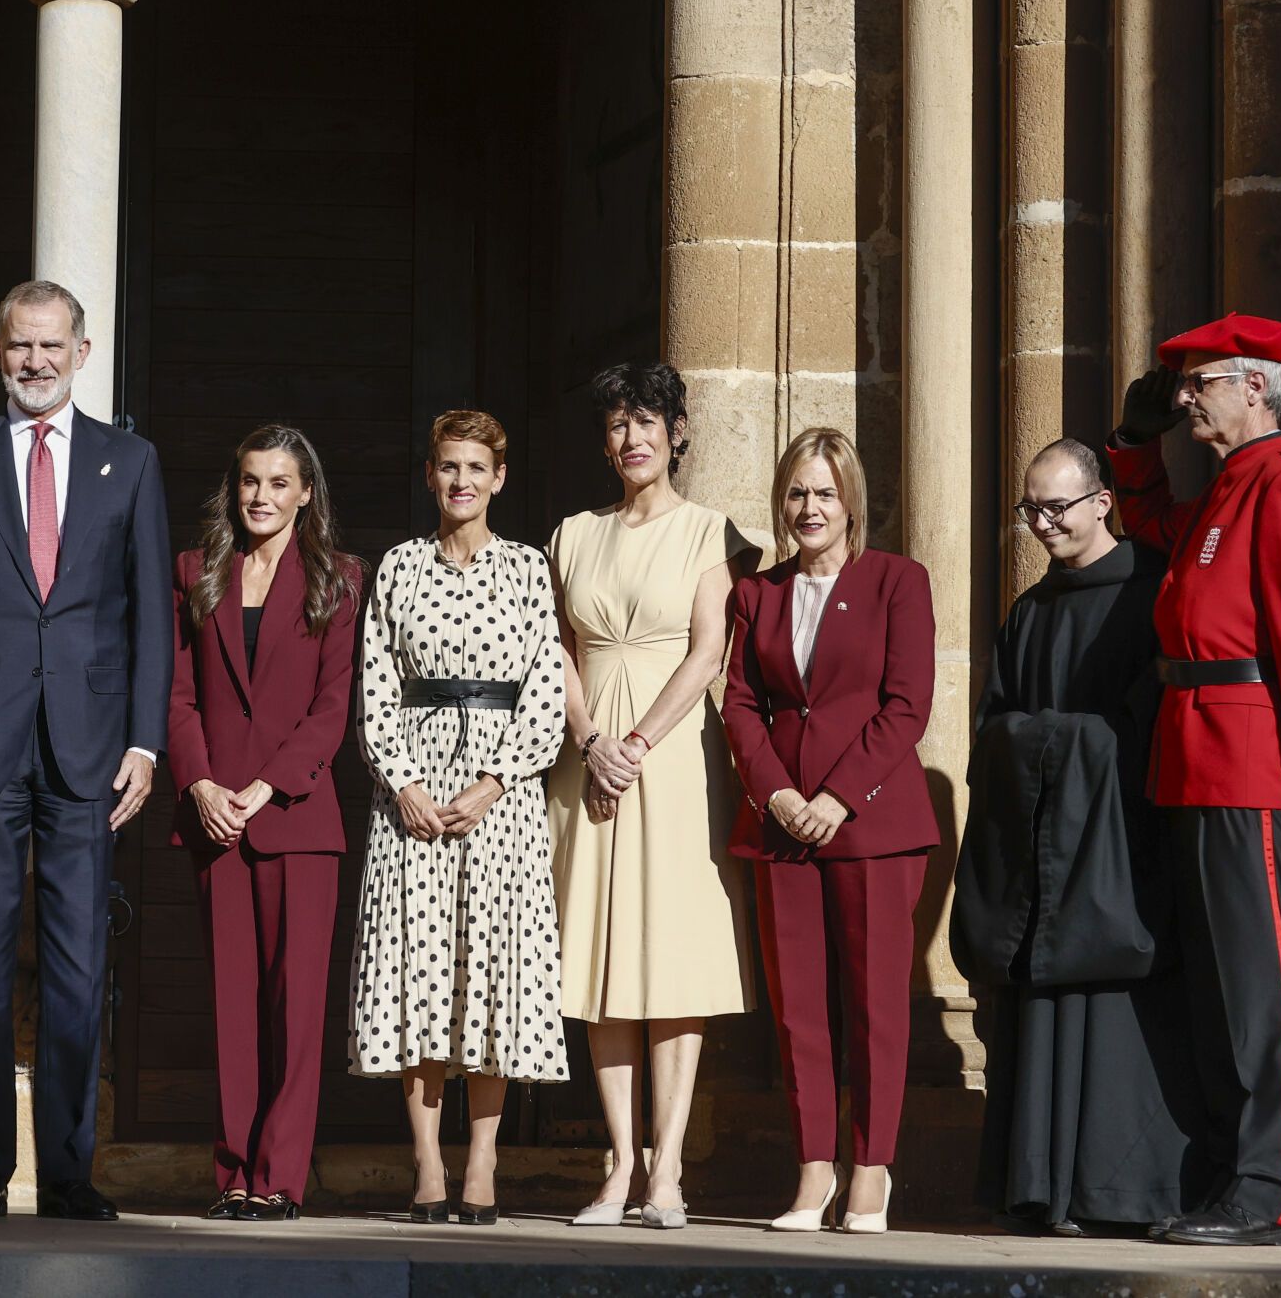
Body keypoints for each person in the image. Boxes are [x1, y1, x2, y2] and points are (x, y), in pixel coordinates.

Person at [0, 279, 171, 1222]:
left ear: (82, 352)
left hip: (90, 752)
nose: (37, 362)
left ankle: (65, 1172)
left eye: (53, 346)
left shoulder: (129, 463)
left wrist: (145, 739)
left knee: (76, 966)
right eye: (21, 346)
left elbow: (148, 617)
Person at [1104, 314, 1281, 1246]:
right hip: (1192, 749)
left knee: (1262, 983)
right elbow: (1159, 530)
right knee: (1211, 988)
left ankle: (1270, 1186)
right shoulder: (1228, 487)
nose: (1186, 394)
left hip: (1248, 759)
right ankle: (1222, 1172)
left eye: (1200, 380)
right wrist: (1131, 449)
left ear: (1255, 388)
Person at [955, 438, 1208, 1236]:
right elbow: (992, 728)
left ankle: (1121, 1193)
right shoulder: (1028, 612)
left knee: (1122, 1010)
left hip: (1119, 846)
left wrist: (1057, 743)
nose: (1041, 524)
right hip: (1042, 849)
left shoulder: (1148, 591)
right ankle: (1040, 1188)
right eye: (1030, 508)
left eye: (1055, 507)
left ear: (1102, 502)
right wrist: (1041, 744)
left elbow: (1151, 717)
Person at [546, 362, 756, 1230]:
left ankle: (667, 1168)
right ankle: (616, 1162)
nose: (631, 438)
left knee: (671, 958)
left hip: (668, 756)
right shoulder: (571, 532)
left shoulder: (711, 531)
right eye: (617, 424)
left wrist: (634, 743)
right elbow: (553, 649)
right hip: (586, 754)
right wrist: (592, 740)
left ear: (675, 433)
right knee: (599, 960)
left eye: (647, 422)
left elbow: (709, 650)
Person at [349, 410, 569, 1227]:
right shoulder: (399, 567)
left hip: (498, 800)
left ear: (499, 477)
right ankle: (426, 1165)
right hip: (411, 798)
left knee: (491, 971)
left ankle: (482, 1163)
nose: (462, 481)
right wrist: (402, 781)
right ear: (431, 475)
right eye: (449, 467)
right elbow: (374, 680)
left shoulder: (526, 569)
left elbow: (547, 685)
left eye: (477, 467)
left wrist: (495, 779)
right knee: (420, 971)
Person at [721, 426, 938, 1236]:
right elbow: (740, 700)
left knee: (876, 1003)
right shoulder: (759, 592)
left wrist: (839, 797)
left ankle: (871, 1168)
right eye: (796, 493)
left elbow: (906, 705)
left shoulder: (896, 581)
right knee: (798, 1007)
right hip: (781, 827)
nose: (809, 507)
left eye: (823, 492)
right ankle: (814, 1167)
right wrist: (776, 794)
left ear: (851, 501)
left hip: (872, 823)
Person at [168, 425, 363, 1223]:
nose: (262, 497)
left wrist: (266, 784)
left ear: (305, 491)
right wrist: (202, 782)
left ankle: (280, 1172)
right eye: (251, 481)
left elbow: (332, 707)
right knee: (234, 1006)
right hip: (217, 816)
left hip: (297, 817)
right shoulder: (196, 571)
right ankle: (235, 1173)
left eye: (280, 483)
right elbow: (176, 694)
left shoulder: (340, 577)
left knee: (295, 1005)